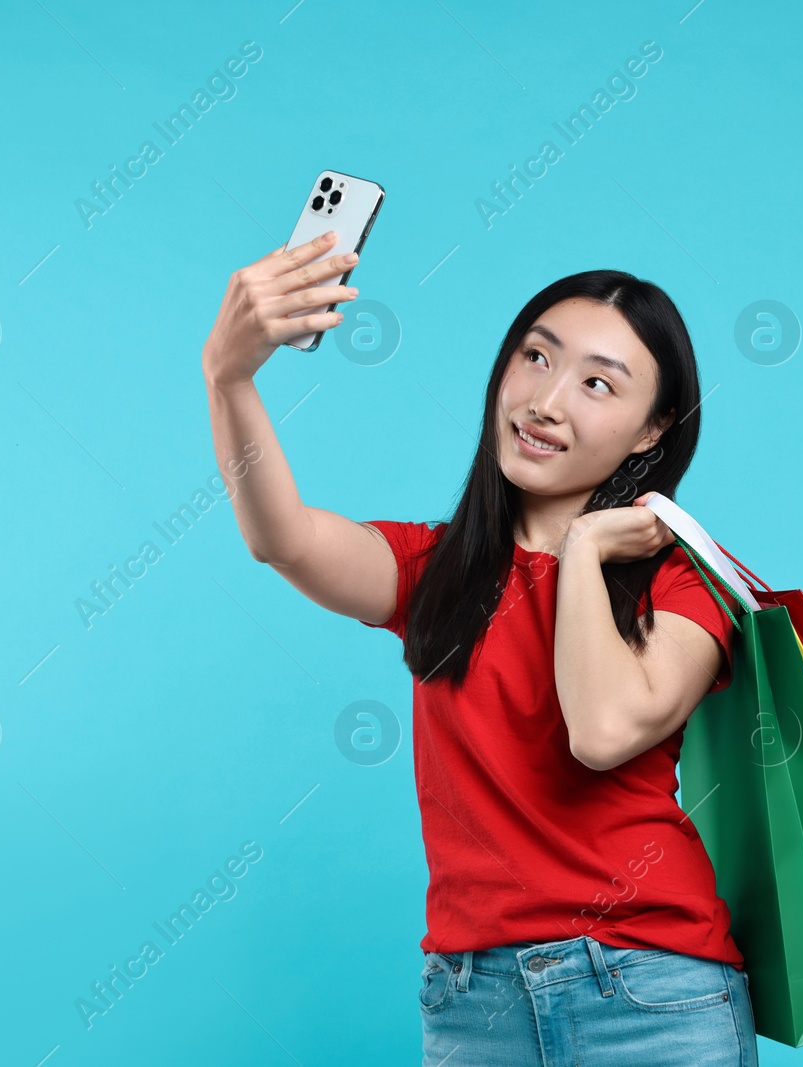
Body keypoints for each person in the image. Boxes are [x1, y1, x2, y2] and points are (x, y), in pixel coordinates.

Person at [201, 231, 758, 1066]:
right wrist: (229, 375)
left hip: (651, 994)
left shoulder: (686, 585)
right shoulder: (436, 570)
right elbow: (281, 538)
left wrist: (581, 552)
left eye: (598, 383)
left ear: (653, 431)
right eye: (536, 358)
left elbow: (602, 731)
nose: (547, 400)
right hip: (473, 1003)